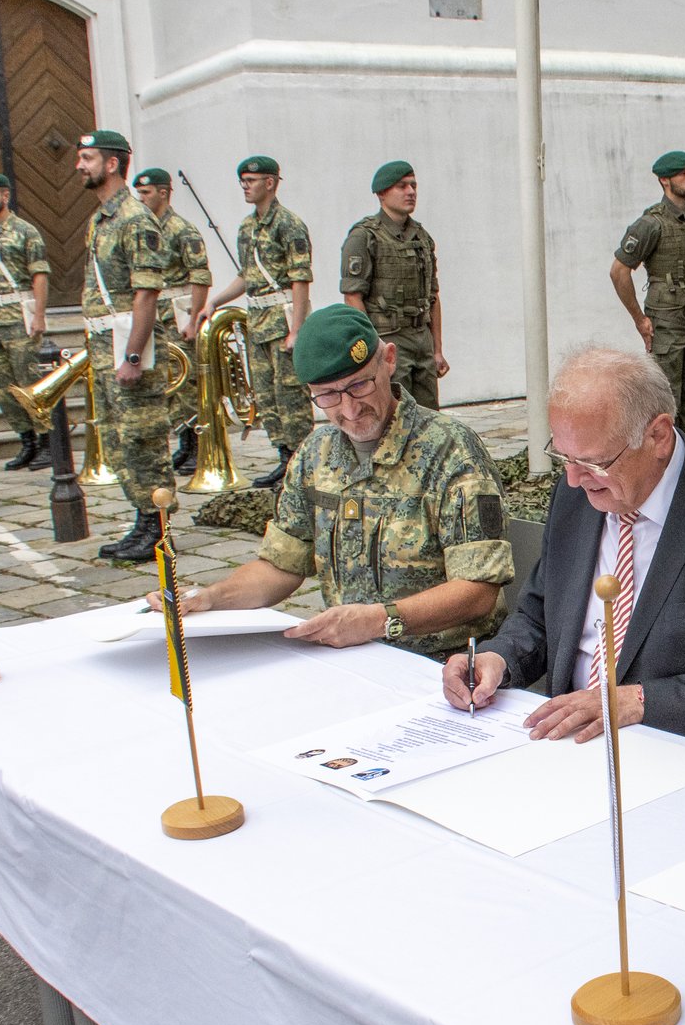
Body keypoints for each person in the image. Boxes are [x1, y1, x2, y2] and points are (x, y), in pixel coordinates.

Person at [443, 346, 685, 766]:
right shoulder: (579, 494)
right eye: (563, 457)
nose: (573, 479)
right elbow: (540, 613)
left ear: (658, 435)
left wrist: (637, 701)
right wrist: (499, 658)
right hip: (575, 751)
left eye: (593, 461)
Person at [157, 304, 510, 655]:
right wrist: (211, 597)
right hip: (351, 657)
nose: (349, 409)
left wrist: (378, 620)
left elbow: (478, 591)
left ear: (388, 360)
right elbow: (281, 565)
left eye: (360, 385)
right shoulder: (316, 453)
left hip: (445, 661)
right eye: (328, 395)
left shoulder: (450, 450)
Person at [74, 130, 169, 562]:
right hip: (105, 344)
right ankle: (142, 518)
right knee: (118, 440)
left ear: (112, 164)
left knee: (142, 438)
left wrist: (133, 355)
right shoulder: (101, 219)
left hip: (129, 346)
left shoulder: (135, 218)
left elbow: (146, 294)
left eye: (88, 157)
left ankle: (157, 527)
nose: (80, 165)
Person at [205, 155, 312, 488]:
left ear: (270, 182)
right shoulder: (246, 227)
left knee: (290, 394)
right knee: (266, 396)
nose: (245, 187)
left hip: (282, 321)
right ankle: (283, 458)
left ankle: (302, 461)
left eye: (251, 181)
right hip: (258, 323)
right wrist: (216, 301)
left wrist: (296, 329)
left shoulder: (288, 224)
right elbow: (246, 276)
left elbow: (300, 279)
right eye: (243, 181)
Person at [610, 150, 685, 437]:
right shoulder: (650, 224)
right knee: (665, 402)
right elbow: (619, 271)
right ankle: (664, 460)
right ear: (665, 180)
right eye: (684, 173)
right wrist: (639, 319)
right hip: (666, 325)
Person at [340, 161, 446, 409]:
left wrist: (437, 349)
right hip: (388, 338)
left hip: (421, 339)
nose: (411, 192)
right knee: (395, 413)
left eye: (413, 186)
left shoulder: (421, 237)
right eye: (402, 186)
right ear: (382, 193)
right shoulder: (364, 237)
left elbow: (433, 296)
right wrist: (373, 349)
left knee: (429, 414)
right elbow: (353, 297)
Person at [0, 173, 52, 472]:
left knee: (30, 382)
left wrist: (40, 314)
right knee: (3, 387)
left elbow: (39, 274)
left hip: (19, 319)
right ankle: (27, 440)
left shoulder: (25, 232)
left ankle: (47, 442)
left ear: (5, 196)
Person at [131, 167, 212, 473]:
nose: (141, 198)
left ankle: (196, 444)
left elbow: (200, 275)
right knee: (168, 383)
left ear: (164, 192)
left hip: (177, 314)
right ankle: (183, 441)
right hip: (155, 316)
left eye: (146, 192)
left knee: (187, 381)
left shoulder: (181, 229)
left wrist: (192, 318)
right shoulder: (143, 228)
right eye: (138, 193)